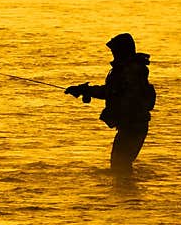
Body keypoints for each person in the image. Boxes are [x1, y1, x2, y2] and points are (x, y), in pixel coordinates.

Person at [65, 33, 155, 174]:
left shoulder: (130, 71)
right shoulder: (129, 69)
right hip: (131, 126)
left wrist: (85, 90)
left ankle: (125, 193)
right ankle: (128, 193)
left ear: (122, 51)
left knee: (120, 165)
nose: (113, 54)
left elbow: (111, 91)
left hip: (133, 127)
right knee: (121, 165)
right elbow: (112, 92)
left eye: (115, 51)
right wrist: (85, 91)